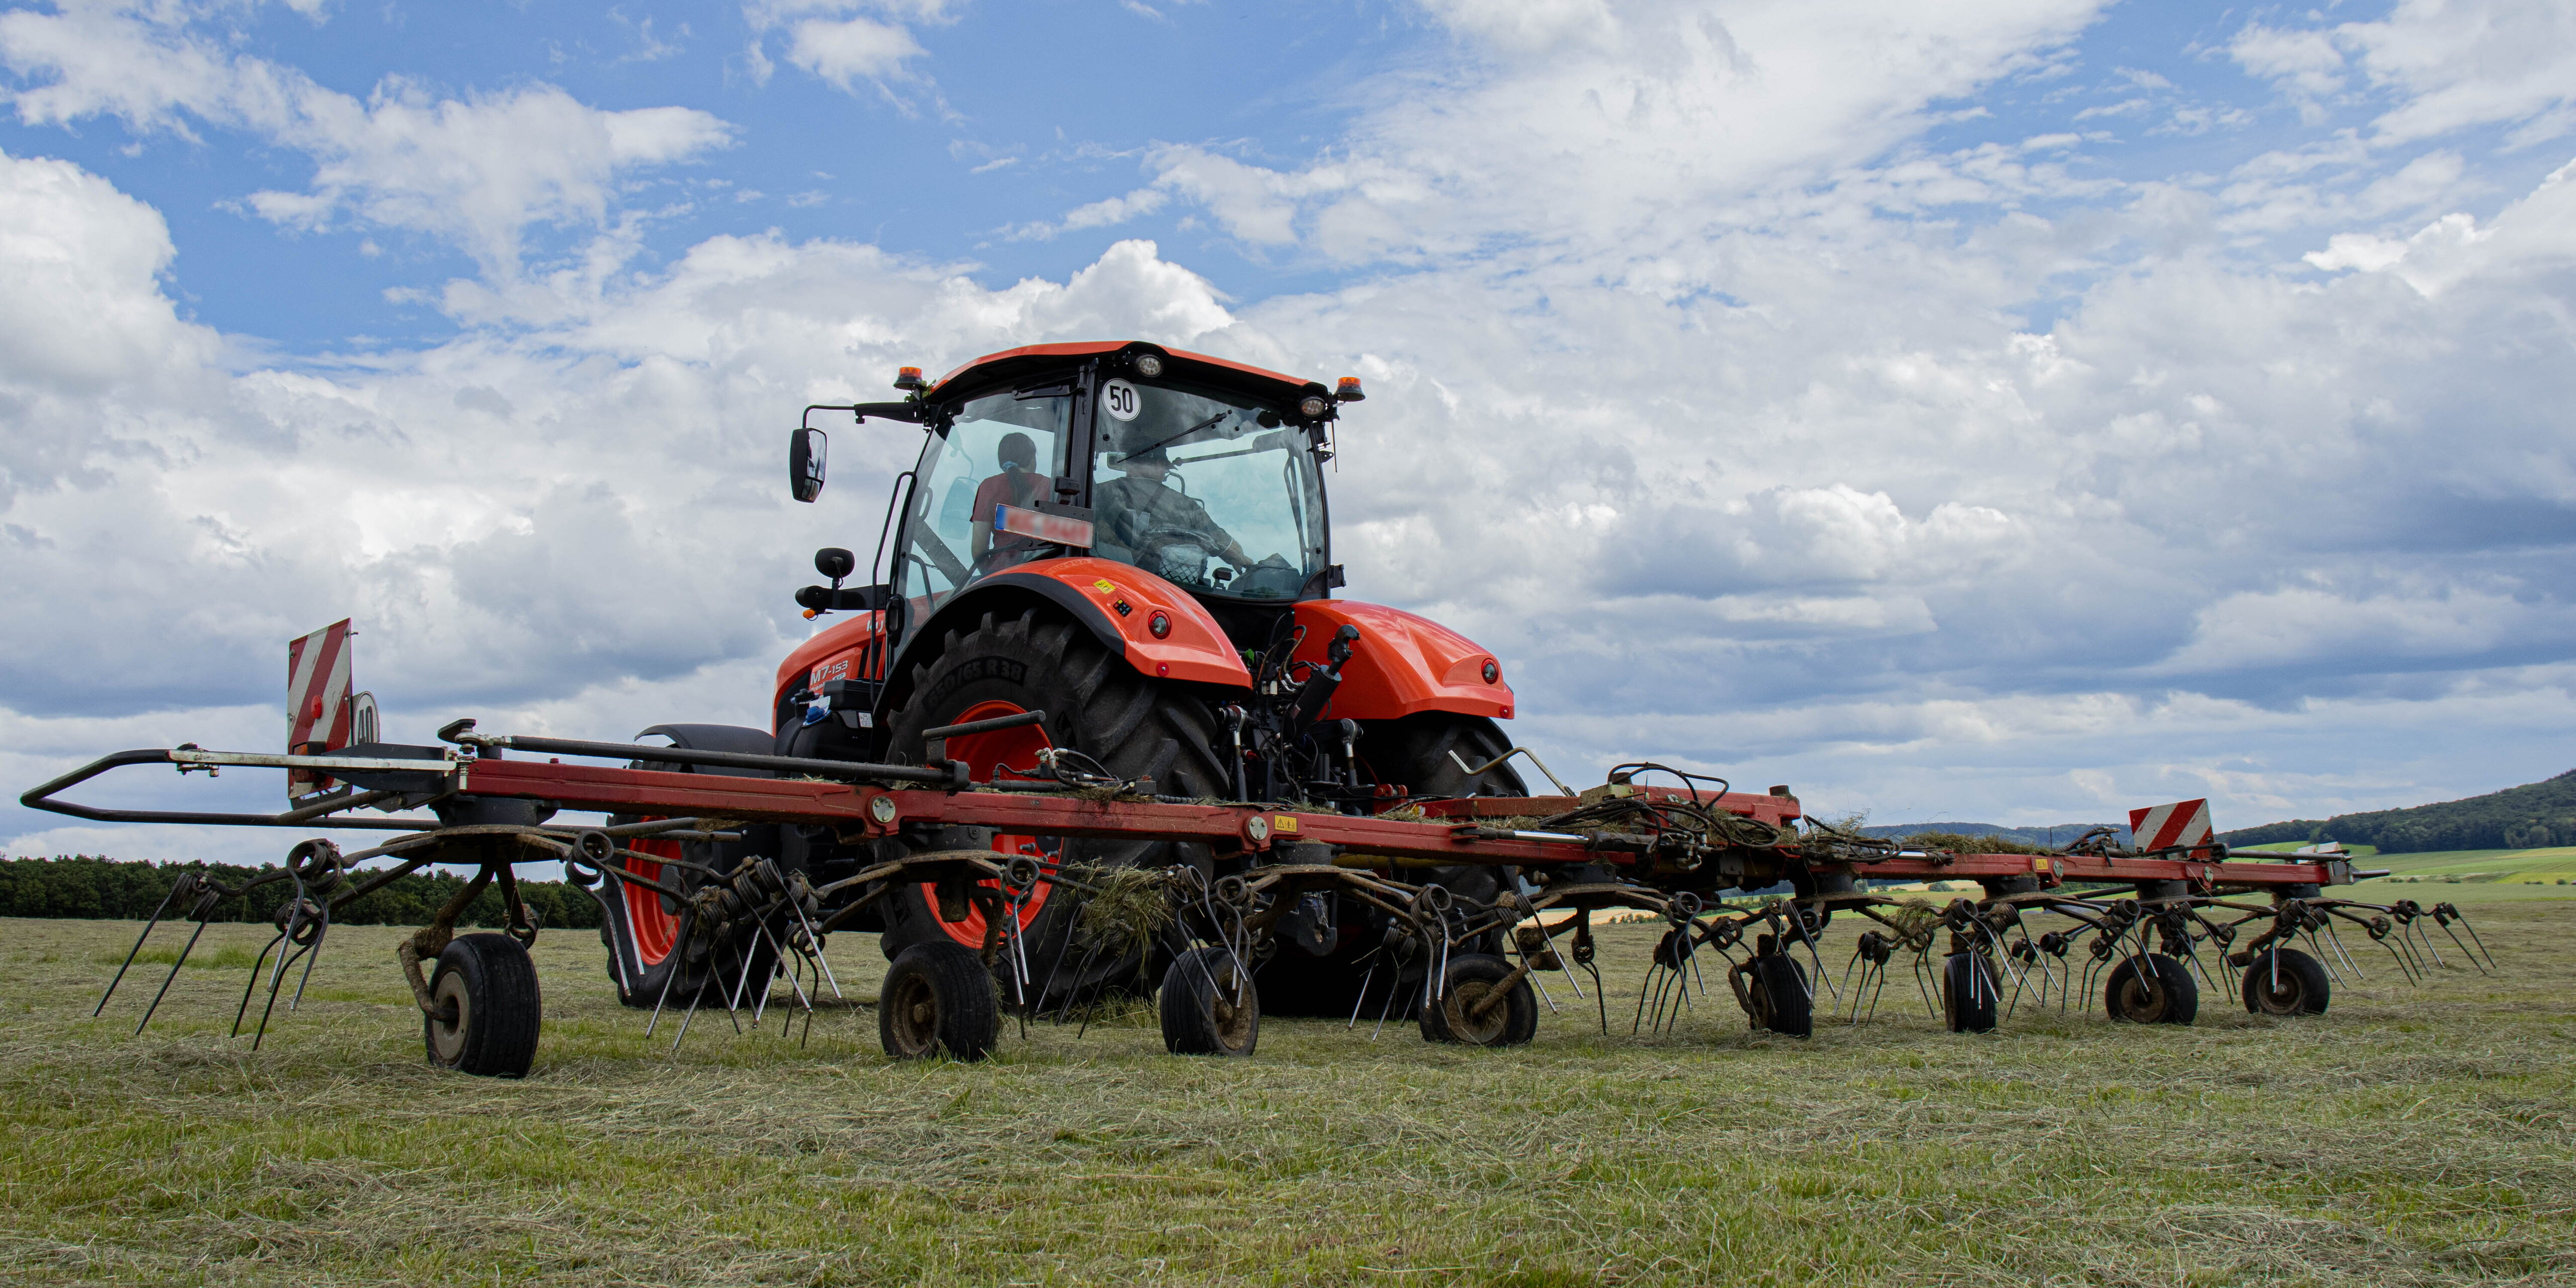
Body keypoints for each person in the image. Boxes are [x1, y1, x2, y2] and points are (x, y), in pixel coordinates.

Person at [1095, 443, 1249, 576]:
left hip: (1105, 578)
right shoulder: (1185, 505)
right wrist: (1241, 559)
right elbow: (1223, 543)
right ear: (1158, 464)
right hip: (1162, 587)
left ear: (1128, 464)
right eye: (1165, 468)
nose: (1165, 473)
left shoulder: (1100, 492)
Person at [968, 432, 1044, 565]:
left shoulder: (989, 486)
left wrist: (991, 575)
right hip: (1043, 574)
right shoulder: (1050, 486)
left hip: (1002, 574)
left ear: (1002, 461)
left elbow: (979, 550)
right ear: (1032, 457)